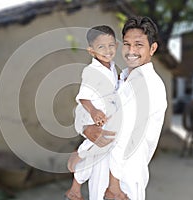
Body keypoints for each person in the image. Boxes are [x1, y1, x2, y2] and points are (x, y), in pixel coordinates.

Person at [80, 16, 168, 200]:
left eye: (139, 45)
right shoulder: (123, 79)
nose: (131, 51)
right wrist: (85, 129)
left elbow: (126, 137)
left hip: (121, 182)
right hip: (102, 171)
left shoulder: (149, 85)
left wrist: (114, 186)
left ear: (152, 48)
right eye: (127, 44)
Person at [65, 25, 128, 200]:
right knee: (90, 151)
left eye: (110, 45)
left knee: (96, 158)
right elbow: (83, 97)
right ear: (91, 51)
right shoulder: (91, 71)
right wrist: (93, 112)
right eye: (101, 47)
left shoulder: (113, 68)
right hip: (97, 117)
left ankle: (76, 189)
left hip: (108, 118)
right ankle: (76, 179)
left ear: (116, 45)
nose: (107, 50)